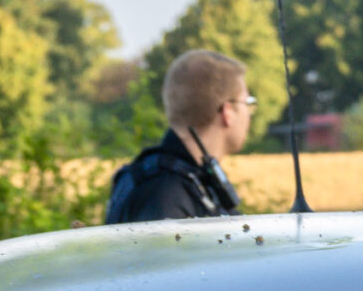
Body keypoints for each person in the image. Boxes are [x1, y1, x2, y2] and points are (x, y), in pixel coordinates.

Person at [106, 49, 255, 223]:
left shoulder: (187, 180)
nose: (250, 112)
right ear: (228, 112)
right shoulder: (165, 193)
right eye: (248, 102)